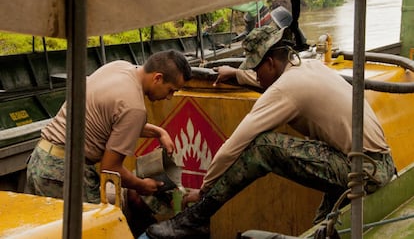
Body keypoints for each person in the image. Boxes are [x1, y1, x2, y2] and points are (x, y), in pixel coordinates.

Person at [145, 26, 396, 238]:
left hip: (362, 172)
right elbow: (272, 81)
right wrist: (239, 75)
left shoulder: (287, 89)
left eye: (256, 69)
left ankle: (194, 220)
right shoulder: (308, 67)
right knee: (322, 226)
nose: (255, 74)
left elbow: (236, 144)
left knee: (263, 147)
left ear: (271, 63)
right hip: (377, 164)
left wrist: (205, 190)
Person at [25, 49, 192, 235]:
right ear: (158, 78)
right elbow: (110, 169)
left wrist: (159, 132)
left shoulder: (118, 67)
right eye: (171, 90)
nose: (169, 97)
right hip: (63, 174)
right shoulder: (135, 108)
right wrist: (141, 185)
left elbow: (116, 120)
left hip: (40, 159)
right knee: (94, 232)